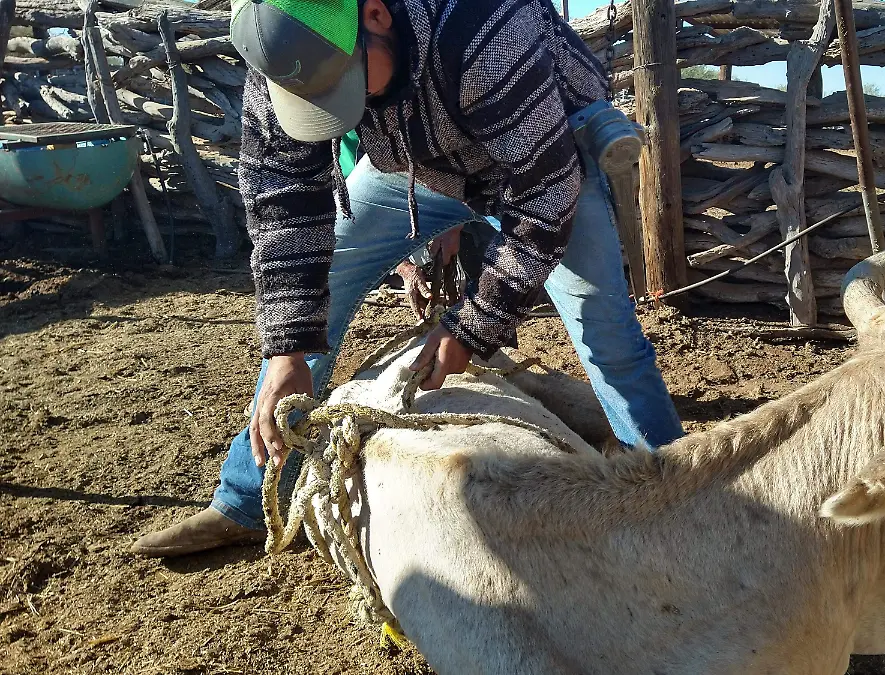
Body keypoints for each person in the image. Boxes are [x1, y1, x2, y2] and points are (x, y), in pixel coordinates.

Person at [131, 0, 684, 557]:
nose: (338, 107)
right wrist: (288, 348)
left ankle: (675, 499)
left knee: (605, 330)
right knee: (323, 284)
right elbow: (283, 207)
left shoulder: (483, 29)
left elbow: (545, 198)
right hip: (410, 167)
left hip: (535, 162)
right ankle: (250, 502)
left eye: (342, 83)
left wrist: (473, 328)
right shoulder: (285, 50)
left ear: (375, 15)